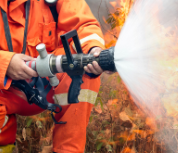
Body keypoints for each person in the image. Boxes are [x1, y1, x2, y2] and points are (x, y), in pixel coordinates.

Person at [0, 0, 109, 152]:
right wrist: (5, 63)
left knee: (81, 66)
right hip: (4, 89)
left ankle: (68, 149)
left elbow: (82, 23)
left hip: (46, 84)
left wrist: (94, 49)